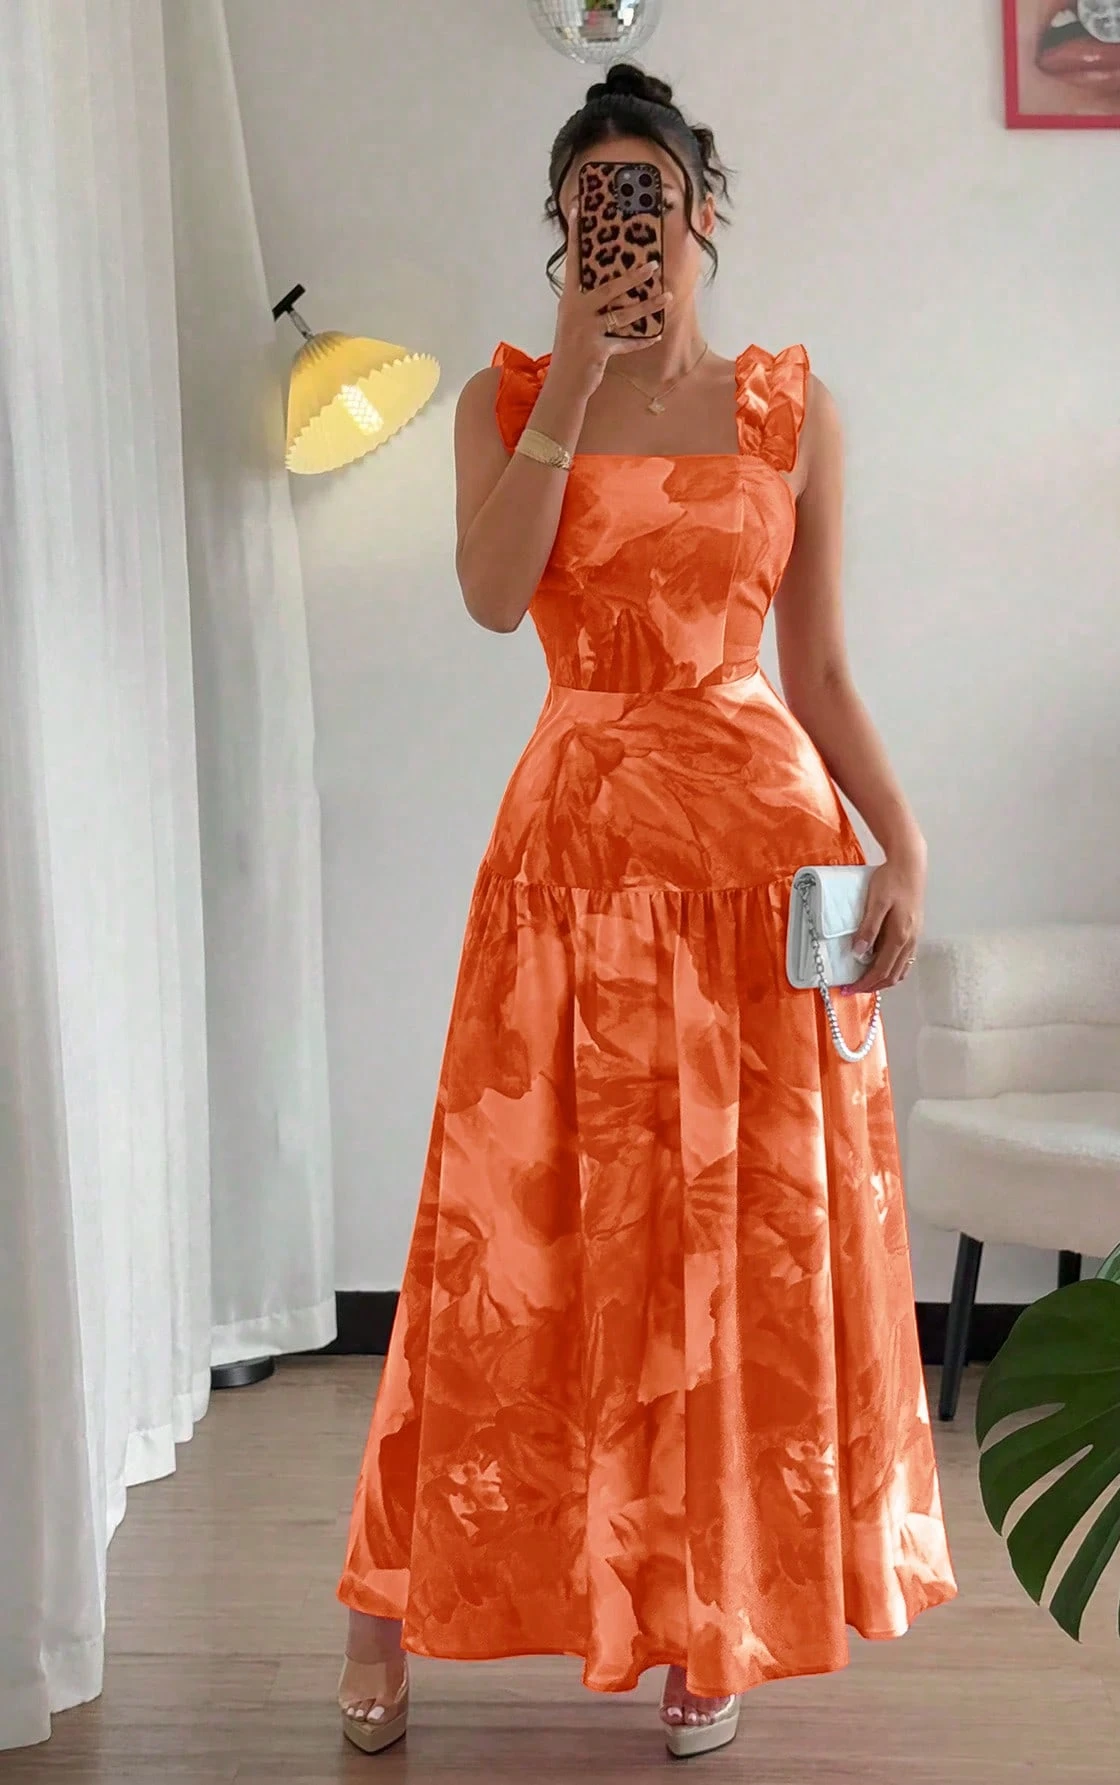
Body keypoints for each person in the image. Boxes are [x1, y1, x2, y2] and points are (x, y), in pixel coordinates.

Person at [334, 61, 957, 1761]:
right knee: (505, 1240)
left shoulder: (791, 407)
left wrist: (904, 843)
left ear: (703, 213)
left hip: (761, 874)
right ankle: (386, 1604)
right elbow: (490, 598)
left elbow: (820, 668)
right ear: (562, 229)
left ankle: (708, 1615)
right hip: (572, 873)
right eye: (594, 207)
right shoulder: (507, 399)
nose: (629, 231)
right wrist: (571, 373)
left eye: (653, 200)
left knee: (733, 1258)